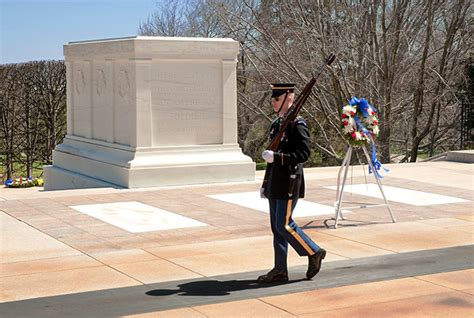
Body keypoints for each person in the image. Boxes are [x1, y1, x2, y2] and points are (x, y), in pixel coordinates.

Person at [258, 83, 326, 283]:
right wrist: (265, 183)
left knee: (284, 225)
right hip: (275, 183)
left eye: (277, 99)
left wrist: (278, 157)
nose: (273, 102)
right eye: (272, 99)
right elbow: (271, 157)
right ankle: (280, 269)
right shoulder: (277, 124)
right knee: (276, 227)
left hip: (289, 182)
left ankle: (313, 251)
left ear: (289, 98)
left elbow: (303, 154)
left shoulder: (297, 125)